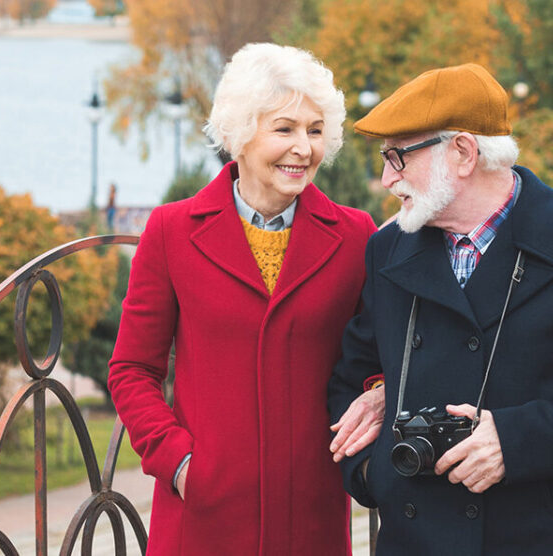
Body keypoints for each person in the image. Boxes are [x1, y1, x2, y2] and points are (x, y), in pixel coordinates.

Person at [327, 63, 553, 555]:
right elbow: (351, 379)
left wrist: (514, 442)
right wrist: (373, 472)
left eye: (398, 158)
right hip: (415, 540)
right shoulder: (388, 251)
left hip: (542, 539)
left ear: (464, 152)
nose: (387, 178)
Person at [108, 43, 378, 555]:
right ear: (241, 132)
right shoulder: (170, 231)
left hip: (312, 519)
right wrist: (180, 463)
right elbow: (131, 370)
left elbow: (375, 357)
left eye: (316, 130)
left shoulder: (355, 235)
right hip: (203, 520)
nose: (304, 148)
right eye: (285, 128)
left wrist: (376, 396)